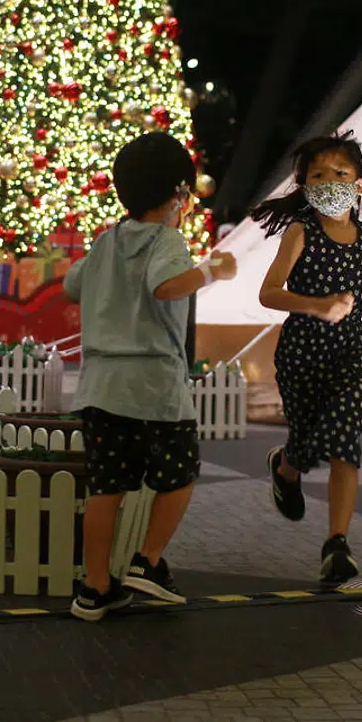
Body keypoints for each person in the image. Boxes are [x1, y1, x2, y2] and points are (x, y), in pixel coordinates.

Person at [62, 133, 237, 621]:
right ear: (179, 194)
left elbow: (72, 285)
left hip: (99, 387)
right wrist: (212, 271)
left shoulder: (106, 241)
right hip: (153, 386)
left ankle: (95, 588)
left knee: (106, 489)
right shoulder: (166, 239)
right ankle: (149, 561)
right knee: (180, 475)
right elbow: (166, 286)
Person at [251, 131, 362, 584]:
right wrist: (317, 305)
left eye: (340, 173)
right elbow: (268, 293)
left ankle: (337, 543)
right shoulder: (302, 231)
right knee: (311, 437)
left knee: (345, 436)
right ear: (304, 186)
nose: (329, 181)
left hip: (348, 351)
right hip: (301, 353)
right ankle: (287, 467)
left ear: (359, 183)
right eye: (317, 175)